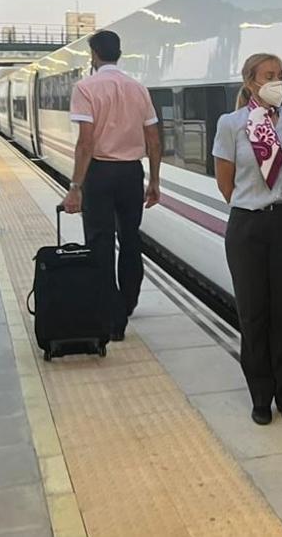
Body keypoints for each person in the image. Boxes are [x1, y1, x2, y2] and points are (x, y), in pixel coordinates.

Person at [213, 53, 282, 426]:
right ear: (251, 81)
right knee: (253, 314)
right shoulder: (231, 124)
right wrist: (252, 204)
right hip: (247, 227)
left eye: (281, 75)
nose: (277, 82)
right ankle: (260, 396)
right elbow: (225, 182)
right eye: (269, 75)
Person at [61, 30, 162, 341]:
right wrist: (154, 179)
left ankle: (112, 316)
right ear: (118, 52)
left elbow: (85, 142)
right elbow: (154, 139)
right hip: (132, 174)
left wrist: (76, 186)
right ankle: (128, 301)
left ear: (94, 54)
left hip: (100, 174)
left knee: (100, 243)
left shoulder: (86, 87)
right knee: (131, 240)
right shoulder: (138, 88)